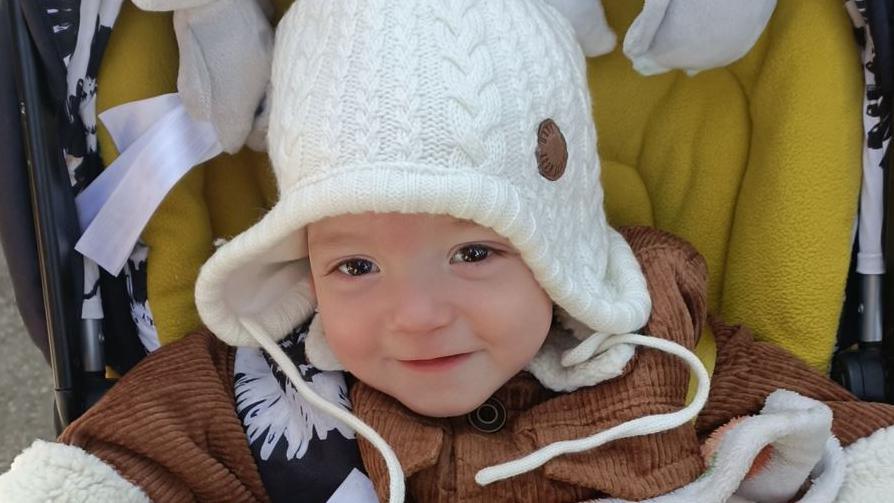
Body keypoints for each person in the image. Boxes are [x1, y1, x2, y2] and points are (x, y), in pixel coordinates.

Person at [3, 1, 894, 502]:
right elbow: (103, 472)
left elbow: (856, 446)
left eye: (473, 252)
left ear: (559, 239)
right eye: (354, 265)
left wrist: (793, 457)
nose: (418, 315)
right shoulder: (249, 384)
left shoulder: (660, 329)